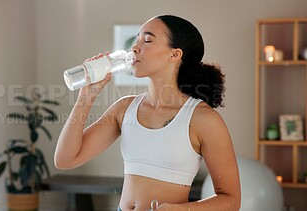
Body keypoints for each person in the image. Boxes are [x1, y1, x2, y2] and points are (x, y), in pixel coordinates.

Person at [55, 14, 241, 211]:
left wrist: (181, 210)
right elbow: (65, 159)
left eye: (148, 40)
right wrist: (86, 96)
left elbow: (230, 200)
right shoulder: (125, 108)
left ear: (175, 55)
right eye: (136, 40)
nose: (135, 48)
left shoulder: (202, 118)